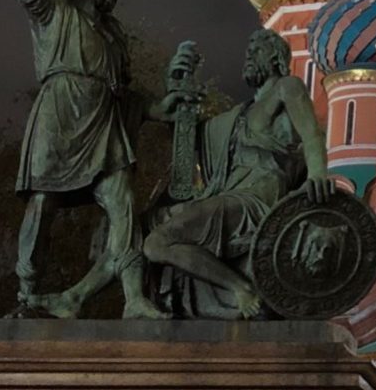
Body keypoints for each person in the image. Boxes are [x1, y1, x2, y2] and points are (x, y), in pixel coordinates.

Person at [2, 0, 183, 317]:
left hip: (104, 127)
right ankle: (27, 293)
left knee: (123, 204)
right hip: (60, 118)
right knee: (43, 204)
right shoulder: (54, 10)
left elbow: (129, 98)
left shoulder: (115, 36)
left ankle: (134, 298)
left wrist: (164, 108)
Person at [142, 31, 332, 318]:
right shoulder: (238, 114)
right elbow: (192, 141)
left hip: (257, 199)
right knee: (142, 224)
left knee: (157, 243)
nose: (248, 55)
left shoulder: (287, 87)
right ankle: (107, 299)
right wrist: (178, 88)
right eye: (249, 48)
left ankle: (240, 288)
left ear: (276, 58)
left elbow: (312, 134)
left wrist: (318, 173)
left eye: (257, 49)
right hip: (228, 195)